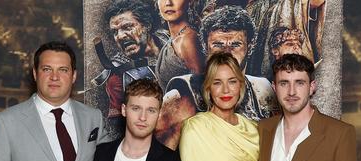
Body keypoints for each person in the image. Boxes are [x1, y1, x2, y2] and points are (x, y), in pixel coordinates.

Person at [156, 5, 278, 149]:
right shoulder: (184, 95)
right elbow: (159, 160)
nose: (226, 53)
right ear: (205, 48)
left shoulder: (263, 89)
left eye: (235, 45)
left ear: (250, 46)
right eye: (218, 45)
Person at [92, 0, 168, 139]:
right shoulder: (117, 79)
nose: (120, 36)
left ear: (147, 25)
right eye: (115, 32)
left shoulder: (174, 43)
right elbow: (120, 129)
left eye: (127, 27)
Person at [155, 0, 206, 90]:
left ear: (190, 2)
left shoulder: (188, 40)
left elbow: (201, 89)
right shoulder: (174, 38)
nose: (168, 3)